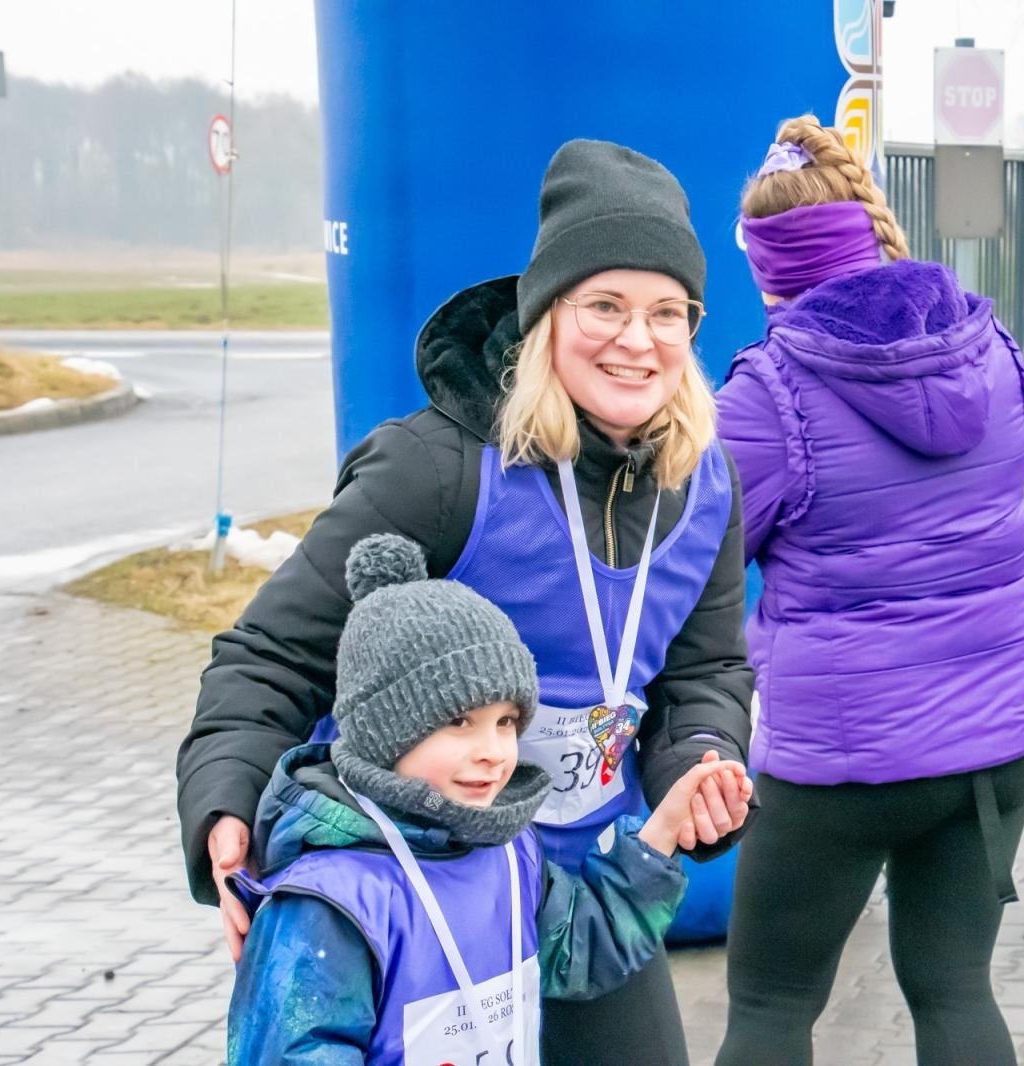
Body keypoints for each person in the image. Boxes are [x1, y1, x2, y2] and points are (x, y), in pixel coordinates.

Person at [178, 138, 754, 1065]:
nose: (636, 340)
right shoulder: (438, 468)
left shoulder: (707, 482)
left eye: (666, 312)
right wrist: (225, 807)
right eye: (603, 305)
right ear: (546, 316)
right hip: (425, 880)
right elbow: (272, 655)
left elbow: (706, 668)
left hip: (587, 895)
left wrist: (702, 756)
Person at [712, 116, 1024, 1066]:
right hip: (998, 744)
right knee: (954, 989)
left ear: (768, 268)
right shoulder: (993, 349)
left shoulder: (767, 394)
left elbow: (702, 556)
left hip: (843, 757)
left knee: (773, 1004)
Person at [225, 534, 751, 1065]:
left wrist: (659, 836)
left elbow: (577, 950)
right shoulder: (330, 904)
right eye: (459, 722)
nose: (493, 752)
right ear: (387, 730)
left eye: (505, 723)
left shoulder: (508, 850)